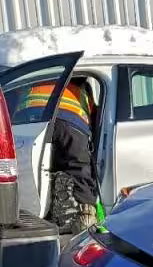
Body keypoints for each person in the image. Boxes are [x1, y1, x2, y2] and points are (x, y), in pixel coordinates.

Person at [17, 80, 99, 230]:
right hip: (71, 119)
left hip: (29, 120)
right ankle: (85, 215)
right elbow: (95, 119)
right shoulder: (83, 86)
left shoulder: (35, 77)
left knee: (32, 166)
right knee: (78, 165)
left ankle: (32, 211)